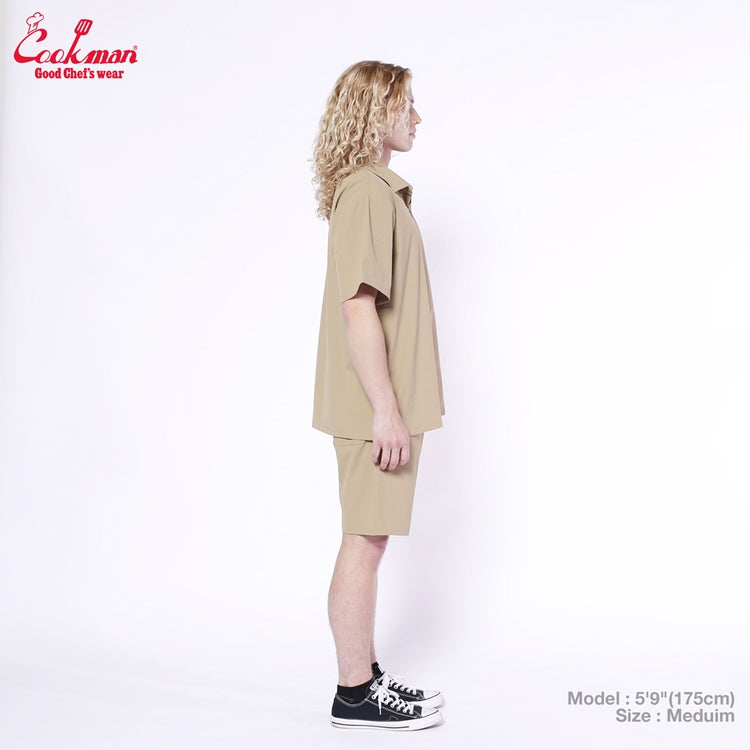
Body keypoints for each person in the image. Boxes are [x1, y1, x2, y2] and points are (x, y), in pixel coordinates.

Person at [311, 61, 445, 730]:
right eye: (406, 104)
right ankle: (355, 694)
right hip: (375, 408)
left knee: (369, 539)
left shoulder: (374, 191)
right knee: (364, 542)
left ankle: (364, 677)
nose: (417, 117)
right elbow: (357, 308)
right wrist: (386, 411)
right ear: (375, 112)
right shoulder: (367, 192)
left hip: (380, 404)